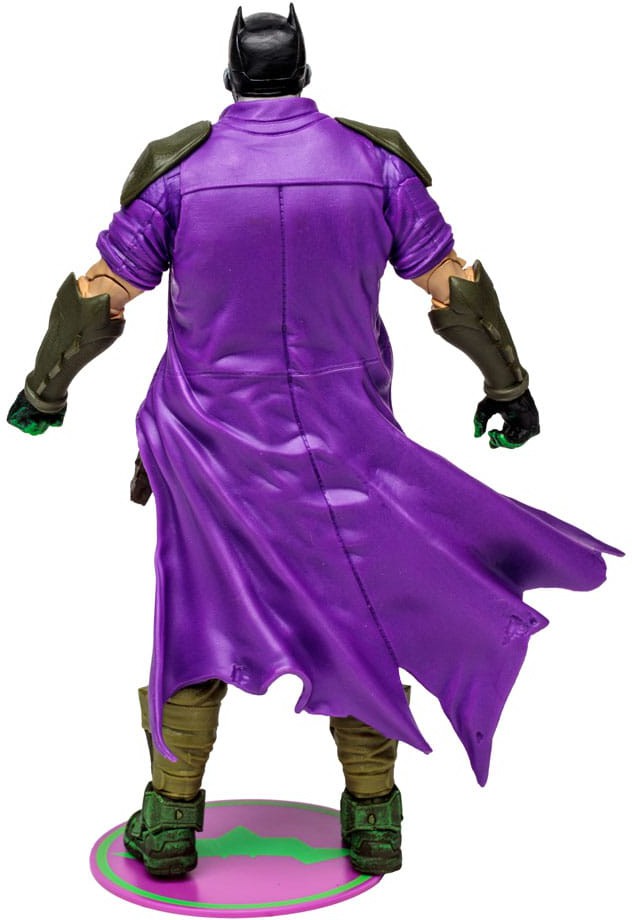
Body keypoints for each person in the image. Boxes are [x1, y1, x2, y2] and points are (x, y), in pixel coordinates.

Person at [7, 4, 620, 880]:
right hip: (345, 442)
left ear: (231, 74)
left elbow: (98, 298)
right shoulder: (373, 165)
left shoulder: (180, 175)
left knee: (194, 617)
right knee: (360, 616)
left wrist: (45, 390)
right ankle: (373, 819)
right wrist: (508, 386)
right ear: (302, 71)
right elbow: (454, 287)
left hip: (208, 443)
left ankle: (172, 822)